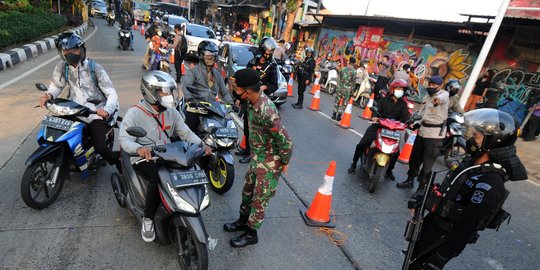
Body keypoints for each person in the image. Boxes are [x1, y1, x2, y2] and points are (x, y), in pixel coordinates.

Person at [406, 108, 527, 269]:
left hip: (442, 240)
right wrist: (423, 199)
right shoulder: (471, 165)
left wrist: (439, 258)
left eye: (476, 136)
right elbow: (449, 195)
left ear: (492, 142)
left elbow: (466, 228)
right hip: (431, 228)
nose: (470, 140)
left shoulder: (490, 183)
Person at [119, 71, 211, 242]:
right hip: (145, 158)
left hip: (169, 154)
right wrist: (139, 148)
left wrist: (202, 145)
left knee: (191, 167)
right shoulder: (135, 113)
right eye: (164, 92)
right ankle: (148, 219)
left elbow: (185, 133)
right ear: (150, 92)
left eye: (170, 91)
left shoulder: (171, 112)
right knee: (157, 177)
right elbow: (124, 139)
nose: (169, 96)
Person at [224, 68, 293, 248]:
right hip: (257, 157)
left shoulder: (267, 111)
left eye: (237, 89)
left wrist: (284, 162)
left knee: (259, 199)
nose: (235, 91)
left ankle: (251, 233)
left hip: (270, 162)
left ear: (247, 91)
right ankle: (242, 221)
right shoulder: (250, 101)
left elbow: (285, 140)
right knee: (247, 192)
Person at [39, 32, 121, 172]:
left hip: (96, 111)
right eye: (66, 50)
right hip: (74, 108)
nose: (70, 53)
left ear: (82, 49)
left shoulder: (95, 68)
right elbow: (56, 86)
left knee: (100, 146)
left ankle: (117, 162)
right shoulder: (62, 67)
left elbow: (111, 92)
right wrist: (49, 95)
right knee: (56, 132)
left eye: (74, 49)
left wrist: (106, 109)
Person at [347, 79, 410, 180]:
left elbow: (405, 117)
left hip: (392, 131)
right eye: (398, 88)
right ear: (393, 89)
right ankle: (354, 163)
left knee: (396, 152)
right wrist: (375, 116)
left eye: (402, 89)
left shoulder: (403, 104)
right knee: (363, 143)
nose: (400, 91)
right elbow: (376, 109)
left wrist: (408, 123)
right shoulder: (384, 100)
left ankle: (389, 170)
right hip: (378, 126)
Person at [397, 76, 449, 189]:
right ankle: (410, 180)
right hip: (422, 132)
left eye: (433, 85)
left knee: (427, 164)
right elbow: (422, 114)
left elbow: (441, 98)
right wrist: (414, 123)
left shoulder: (444, 94)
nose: (430, 86)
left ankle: (421, 189)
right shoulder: (426, 97)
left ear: (440, 86)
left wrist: (437, 99)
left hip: (434, 136)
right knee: (414, 159)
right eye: (429, 84)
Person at [236, 37, 280, 163]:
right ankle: (246, 149)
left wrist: (264, 87)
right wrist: (239, 97)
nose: (269, 54)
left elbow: (274, 85)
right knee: (246, 126)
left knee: (254, 129)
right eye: (267, 52)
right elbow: (244, 79)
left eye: (271, 52)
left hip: (260, 101)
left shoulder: (272, 66)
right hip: (248, 99)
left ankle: (252, 153)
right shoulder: (253, 61)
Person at [181, 40, 235, 131]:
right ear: (201, 56)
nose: (211, 59)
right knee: (188, 133)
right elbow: (186, 86)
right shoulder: (193, 71)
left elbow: (224, 91)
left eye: (213, 56)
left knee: (222, 130)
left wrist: (231, 103)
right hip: (196, 108)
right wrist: (190, 99)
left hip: (213, 109)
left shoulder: (217, 75)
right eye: (208, 56)